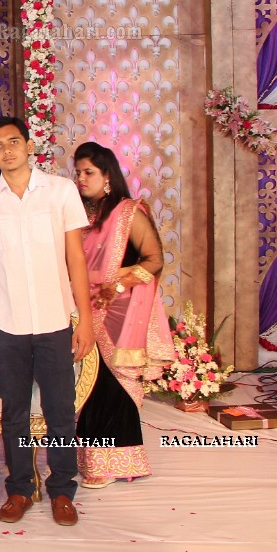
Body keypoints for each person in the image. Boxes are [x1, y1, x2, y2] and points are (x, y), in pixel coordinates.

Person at [0, 116, 94, 528]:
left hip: (55, 320)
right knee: (14, 413)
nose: (7, 151)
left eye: (14, 142)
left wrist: (86, 319)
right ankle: (20, 487)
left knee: (61, 410)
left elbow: (76, 259)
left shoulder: (60, 193)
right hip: (6, 325)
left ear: (28, 146)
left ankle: (62, 490)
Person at [72, 141, 175, 488]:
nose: (81, 178)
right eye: (78, 172)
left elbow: (154, 260)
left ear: (108, 177)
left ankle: (117, 461)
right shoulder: (83, 217)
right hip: (85, 310)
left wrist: (115, 285)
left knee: (113, 385)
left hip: (120, 312)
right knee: (90, 384)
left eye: (88, 172)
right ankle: (92, 459)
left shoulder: (130, 212)